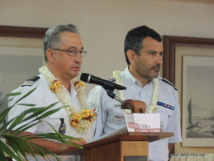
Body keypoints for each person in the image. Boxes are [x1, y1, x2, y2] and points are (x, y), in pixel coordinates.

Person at [88, 25, 182, 161]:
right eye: (152, 53)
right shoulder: (104, 90)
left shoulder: (169, 92)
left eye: (160, 54)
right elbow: (92, 142)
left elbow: (169, 142)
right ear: (132, 56)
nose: (159, 60)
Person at [8, 24, 96, 160]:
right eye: (71, 52)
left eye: (80, 52)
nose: (78, 59)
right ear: (51, 54)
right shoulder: (31, 92)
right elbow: (15, 138)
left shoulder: (80, 94)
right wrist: (58, 147)